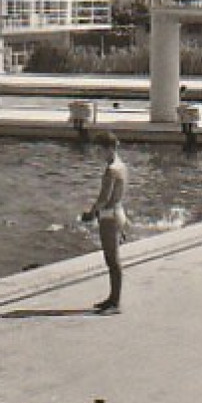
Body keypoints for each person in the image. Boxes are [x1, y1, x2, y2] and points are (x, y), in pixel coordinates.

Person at [82, 132, 130, 314]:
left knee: (112, 259)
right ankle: (112, 298)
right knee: (112, 258)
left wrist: (91, 212)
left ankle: (115, 303)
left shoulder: (111, 170)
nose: (97, 154)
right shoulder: (122, 166)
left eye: (99, 150)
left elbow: (104, 197)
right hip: (119, 212)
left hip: (109, 216)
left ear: (108, 149)